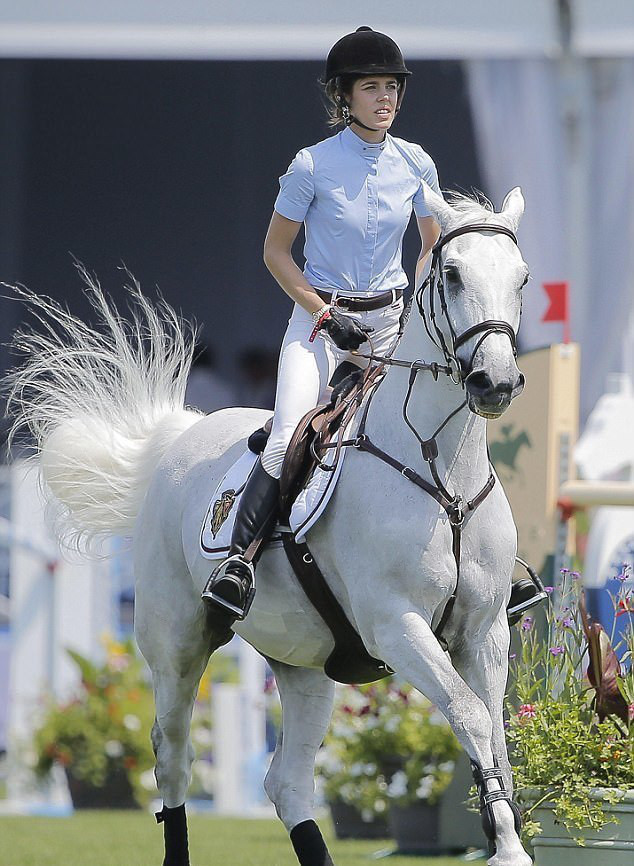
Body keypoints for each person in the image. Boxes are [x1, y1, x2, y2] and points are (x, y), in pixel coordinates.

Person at [202, 26, 442, 620]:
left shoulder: (416, 162)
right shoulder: (310, 165)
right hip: (318, 326)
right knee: (287, 437)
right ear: (345, 96)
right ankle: (240, 561)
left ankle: (491, 566)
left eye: (393, 88)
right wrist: (324, 314)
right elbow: (275, 252)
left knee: (446, 425)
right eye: (372, 88)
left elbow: (432, 245)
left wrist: (415, 314)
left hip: (390, 324)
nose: (386, 98)